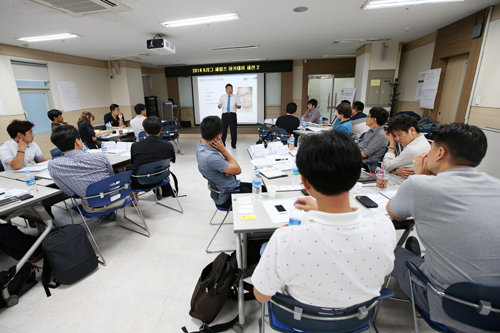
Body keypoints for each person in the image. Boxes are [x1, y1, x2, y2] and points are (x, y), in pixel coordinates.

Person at [252, 131, 397, 308]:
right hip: (358, 318)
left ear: (305, 182)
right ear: (355, 179)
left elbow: (261, 296)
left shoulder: (285, 239)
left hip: (299, 320)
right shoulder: (384, 226)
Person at [386, 123, 500, 333]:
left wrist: (420, 178)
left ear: (440, 152)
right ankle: (419, 258)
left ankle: (415, 264)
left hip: (448, 304)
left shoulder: (419, 186)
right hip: (497, 311)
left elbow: (393, 213)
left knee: (389, 248)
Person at [48, 125, 122, 218]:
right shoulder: (100, 157)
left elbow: (70, 193)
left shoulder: (53, 166)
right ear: (77, 141)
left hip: (93, 206)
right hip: (118, 198)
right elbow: (112, 177)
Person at [196, 116, 253, 209]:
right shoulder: (210, 156)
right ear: (218, 136)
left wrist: (226, 169)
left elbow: (222, 166)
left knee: (263, 188)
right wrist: (223, 150)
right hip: (228, 195)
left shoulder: (202, 147)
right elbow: (238, 170)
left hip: (226, 187)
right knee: (265, 193)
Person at [130, 116, 176, 197]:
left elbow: (133, 163)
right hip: (161, 179)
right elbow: (173, 160)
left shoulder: (135, 146)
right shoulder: (168, 145)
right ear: (161, 130)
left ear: (144, 130)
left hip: (140, 183)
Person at [383, 114, 430, 183]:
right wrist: (396, 170)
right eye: (395, 136)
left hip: (399, 183)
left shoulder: (412, 150)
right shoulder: (424, 142)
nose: (397, 139)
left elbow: (386, 167)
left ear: (412, 130)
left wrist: (392, 144)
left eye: (399, 135)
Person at [359, 107, 389, 172]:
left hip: (366, 165)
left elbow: (364, 154)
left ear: (374, 120)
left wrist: (348, 154)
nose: (366, 118)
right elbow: (360, 147)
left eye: (368, 116)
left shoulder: (380, 135)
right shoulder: (370, 131)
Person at [217, 83, 241, 149]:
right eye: (228, 89)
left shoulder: (236, 97)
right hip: (224, 115)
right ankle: (223, 143)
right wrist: (219, 106)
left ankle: (233, 144)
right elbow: (219, 106)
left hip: (232, 115)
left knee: (233, 130)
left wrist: (237, 106)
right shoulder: (222, 97)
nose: (230, 90)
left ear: (232, 89)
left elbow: (239, 106)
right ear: (226, 90)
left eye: (231, 89)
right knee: (223, 130)